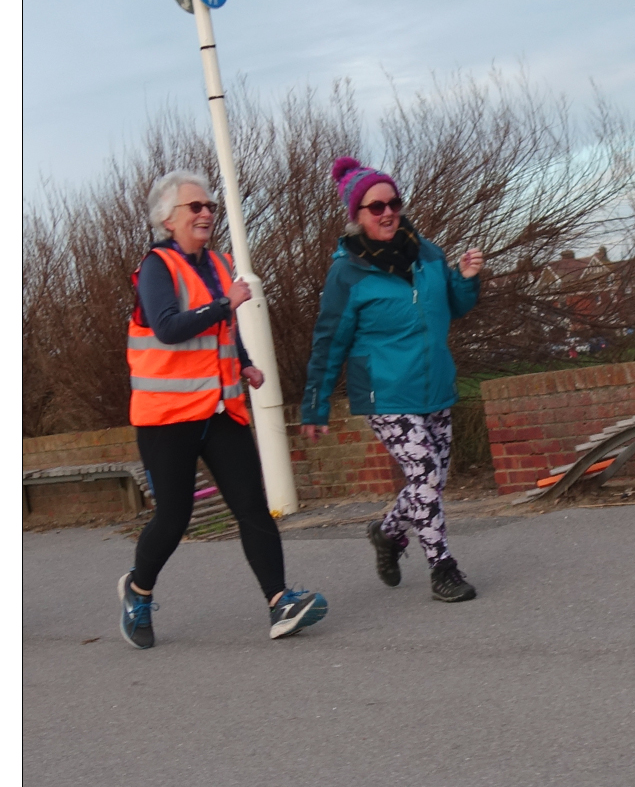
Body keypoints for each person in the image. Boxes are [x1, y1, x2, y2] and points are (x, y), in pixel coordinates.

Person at [119, 169, 328, 648]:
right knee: (173, 518)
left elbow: (222, 332)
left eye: (210, 206)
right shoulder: (157, 266)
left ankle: (280, 604)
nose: (207, 212)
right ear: (168, 219)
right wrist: (224, 302)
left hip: (219, 412)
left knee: (252, 504)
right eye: (196, 206)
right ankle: (138, 589)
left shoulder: (217, 263)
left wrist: (248, 364)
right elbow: (169, 327)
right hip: (167, 419)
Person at [300, 157, 483, 602]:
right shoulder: (348, 273)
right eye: (375, 206)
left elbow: (453, 307)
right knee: (423, 474)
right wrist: (315, 403)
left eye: (393, 203)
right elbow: (329, 340)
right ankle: (442, 568)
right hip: (386, 391)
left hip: (434, 383)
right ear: (357, 216)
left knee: (432, 481)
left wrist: (465, 280)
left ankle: (386, 533)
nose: (387, 212)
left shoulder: (428, 253)